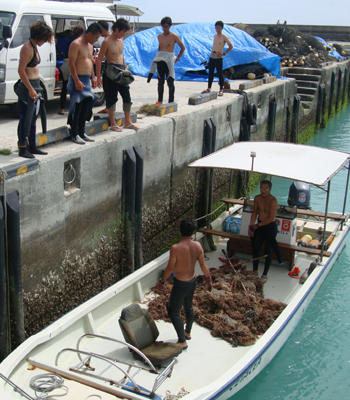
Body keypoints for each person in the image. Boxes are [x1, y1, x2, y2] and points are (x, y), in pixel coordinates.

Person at [157, 218, 213, 349]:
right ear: (193, 232)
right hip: (192, 282)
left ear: (180, 231)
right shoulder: (198, 246)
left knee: (173, 312)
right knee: (188, 308)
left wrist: (162, 282)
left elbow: (170, 268)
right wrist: (208, 280)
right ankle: (187, 332)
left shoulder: (175, 248)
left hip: (180, 285)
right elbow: (203, 265)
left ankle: (182, 341)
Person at [16, 21, 54, 158]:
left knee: (32, 118)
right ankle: (22, 146)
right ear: (39, 36)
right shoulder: (27, 48)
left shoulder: (34, 47)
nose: (45, 42)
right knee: (25, 118)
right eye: (45, 39)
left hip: (35, 85)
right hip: (28, 87)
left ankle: (32, 145)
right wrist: (30, 89)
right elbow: (21, 71)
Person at [96, 18, 139, 131]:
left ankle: (127, 121)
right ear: (116, 29)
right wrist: (98, 77)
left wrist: (125, 68)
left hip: (122, 71)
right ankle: (113, 123)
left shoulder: (121, 40)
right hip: (111, 71)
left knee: (126, 96)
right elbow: (99, 59)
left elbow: (121, 55)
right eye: (122, 31)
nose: (123, 34)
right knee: (112, 98)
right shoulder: (106, 41)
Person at [67, 22, 102, 144]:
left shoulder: (90, 45)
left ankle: (81, 132)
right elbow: (71, 63)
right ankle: (74, 134)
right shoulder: (76, 44)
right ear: (90, 34)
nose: (96, 40)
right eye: (96, 37)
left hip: (87, 79)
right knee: (77, 108)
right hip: (77, 79)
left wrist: (93, 76)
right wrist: (76, 80)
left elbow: (89, 61)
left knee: (85, 109)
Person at [147, 16, 185, 105]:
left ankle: (171, 101)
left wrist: (178, 58)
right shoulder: (159, 36)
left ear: (170, 26)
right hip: (161, 60)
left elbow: (182, 48)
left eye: (167, 27)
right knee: (160, 81)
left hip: (169, 61)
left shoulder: (174, 36)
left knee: (170, 81)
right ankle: (160, 100)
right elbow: (160, 48)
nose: (165, 29)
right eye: (164, 26)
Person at [248, 180, 280, 283]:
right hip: (259, 225)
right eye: (261, 188)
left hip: (270, 227)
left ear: (270, 189)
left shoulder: (273, 201)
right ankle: (255, 270)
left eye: (265, 189)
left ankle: (265, 274)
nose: (263, 191)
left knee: (268, 251)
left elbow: (271, 218)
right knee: (256, 248)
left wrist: (257, 225)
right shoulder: (257, 198)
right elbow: (254, 212)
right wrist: (251, 225)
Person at [201, 21, 233, 97]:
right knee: (211, 73)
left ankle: (221, 89)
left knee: (220, 73)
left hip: (219, 57)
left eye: (219, 28)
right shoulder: (215, 36)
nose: (218, 29)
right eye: (216, 28)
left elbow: (231, 46)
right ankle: (209, 88)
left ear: (222, 28)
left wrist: (224, 54)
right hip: (212, 56)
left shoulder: (224, 37)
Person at [58, 25, 84, 115]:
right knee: (75, 87)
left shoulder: (70, 42)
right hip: (72, 64)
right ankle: (73, 108)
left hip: (64, 64)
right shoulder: (78, 43)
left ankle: (62, 109)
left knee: (64, 88)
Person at [96, 20, 111, 115]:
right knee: (107, 88)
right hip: (111, 66)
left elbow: (99, 59)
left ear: (102, 29)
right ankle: (108, 107)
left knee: (108, 88)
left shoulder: (107, 41)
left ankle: (109, 108)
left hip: (109, 66)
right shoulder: (113, 39)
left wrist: (98, 76)